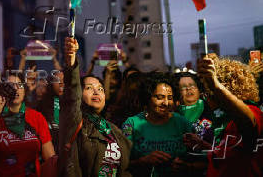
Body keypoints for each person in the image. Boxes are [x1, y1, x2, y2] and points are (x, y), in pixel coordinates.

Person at [59, 37, 132, 177]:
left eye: (100, 89)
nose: (96, 91)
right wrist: (71, 59)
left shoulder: (114, 130)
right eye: (89, 88)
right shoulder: (74, 120)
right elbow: (72, 90)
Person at [195, 54, 263, 177]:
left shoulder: (250, 111)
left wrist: (215, 85)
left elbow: (249, 121)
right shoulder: (227, 119)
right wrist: (202, 144)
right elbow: (230, 153)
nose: (206, 98)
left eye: (207, 93)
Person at [0, 73, 55, 177]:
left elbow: (50, 159)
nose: (15, 88)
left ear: (24, 91)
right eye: (10, 85)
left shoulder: (36, 117)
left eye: (19, 85)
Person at [122, 72, 196, 177]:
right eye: (160, 97)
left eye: (170, 98)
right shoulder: (130, 124)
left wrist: (187, 166)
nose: (165, 103)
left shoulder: (183, 123)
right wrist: (144, 161)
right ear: (147, 98)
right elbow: (119, 163)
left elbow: (202, 160)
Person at [174, 71, 213, 142]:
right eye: (183, 87)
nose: (188, 89)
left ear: (199, 89)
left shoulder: (211, 107)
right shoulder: (173, 115)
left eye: (192, 85)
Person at [36, 71, 64, 149]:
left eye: (64, 80)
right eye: (57, 80)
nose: (61, 83)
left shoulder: (73, 104)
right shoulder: (42, 105)